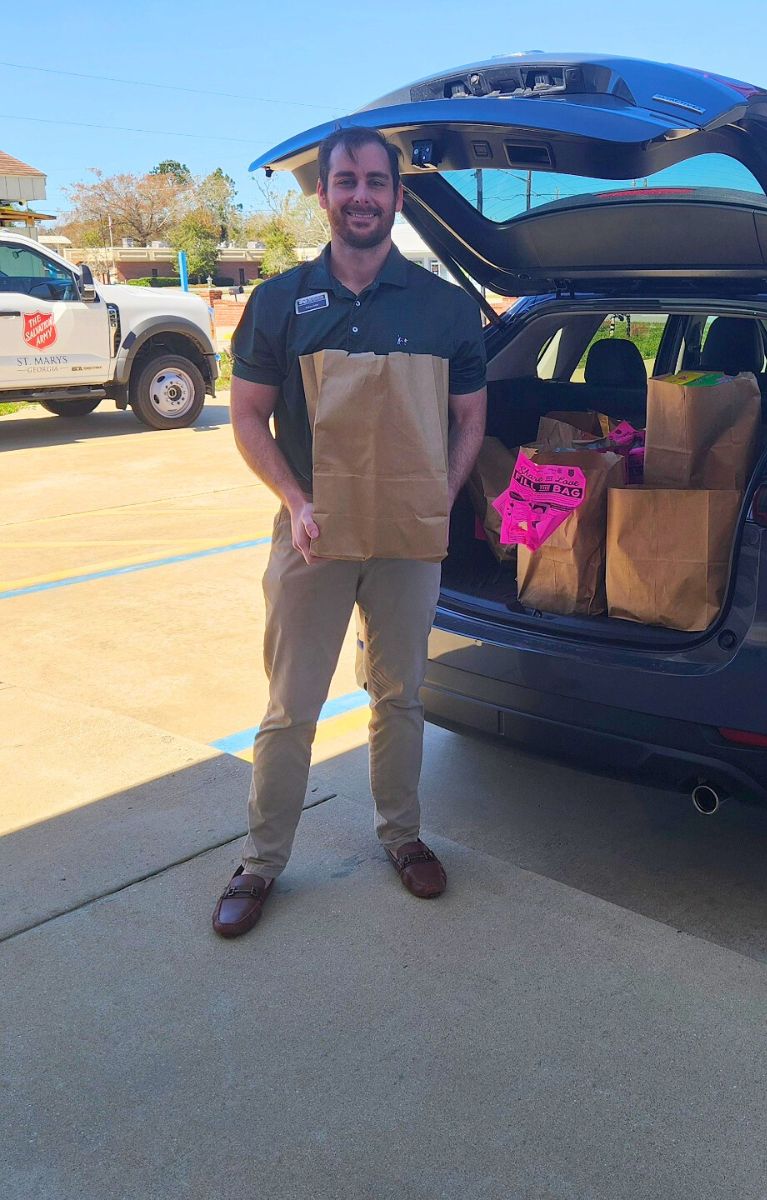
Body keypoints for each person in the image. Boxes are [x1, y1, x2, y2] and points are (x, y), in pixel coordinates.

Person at [212, 126, 487, 938]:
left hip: (406, 540)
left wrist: (443, 492)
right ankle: (260, 861)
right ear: (324, 195)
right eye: (346, 181)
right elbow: (249, 417)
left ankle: (401, 835)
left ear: (398, 198)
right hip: (312, 534)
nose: (362, 194)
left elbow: (472, 416)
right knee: (290, 706)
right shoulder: (277, 301)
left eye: (377, 181)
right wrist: (295, 500)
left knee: (401, 696)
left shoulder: (444, 307)